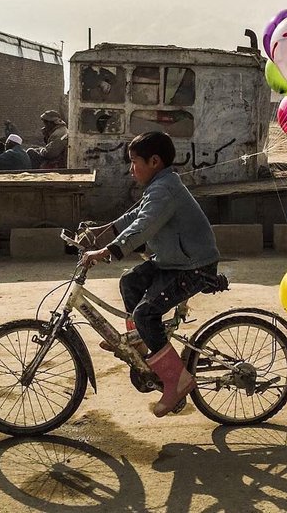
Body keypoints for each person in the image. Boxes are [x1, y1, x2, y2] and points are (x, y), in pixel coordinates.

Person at [81, 131, 220, 418]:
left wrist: (106, 251)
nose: (131, 169)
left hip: (193, 266)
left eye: (134, 162)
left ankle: (177, 380)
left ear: (154, 161)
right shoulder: (160, 185)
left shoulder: (164, 189)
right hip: (173, 261)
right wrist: (102, 232)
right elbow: (133, 217)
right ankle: (141, 343)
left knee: (145, 314)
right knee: (130, 281)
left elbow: (143, 227)